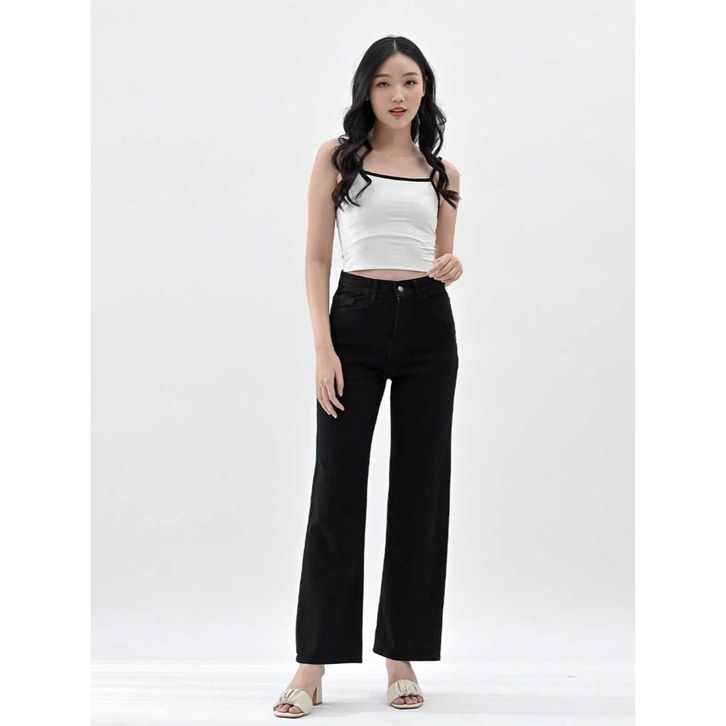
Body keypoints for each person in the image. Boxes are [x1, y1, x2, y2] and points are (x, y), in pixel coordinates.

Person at [273, 35, 463, 718]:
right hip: (353, 321)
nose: (398, 94)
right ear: (366, 91)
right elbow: (316, 257)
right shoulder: (338, 158)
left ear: (425, 89)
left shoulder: (443, 174)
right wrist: (323, 348)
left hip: (428, 329)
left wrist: (452, 266)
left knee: (419, 490)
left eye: (409, 81)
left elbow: (441, 257)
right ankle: (312, 663)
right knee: (337, 488)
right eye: (384, 83)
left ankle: (400, 656)